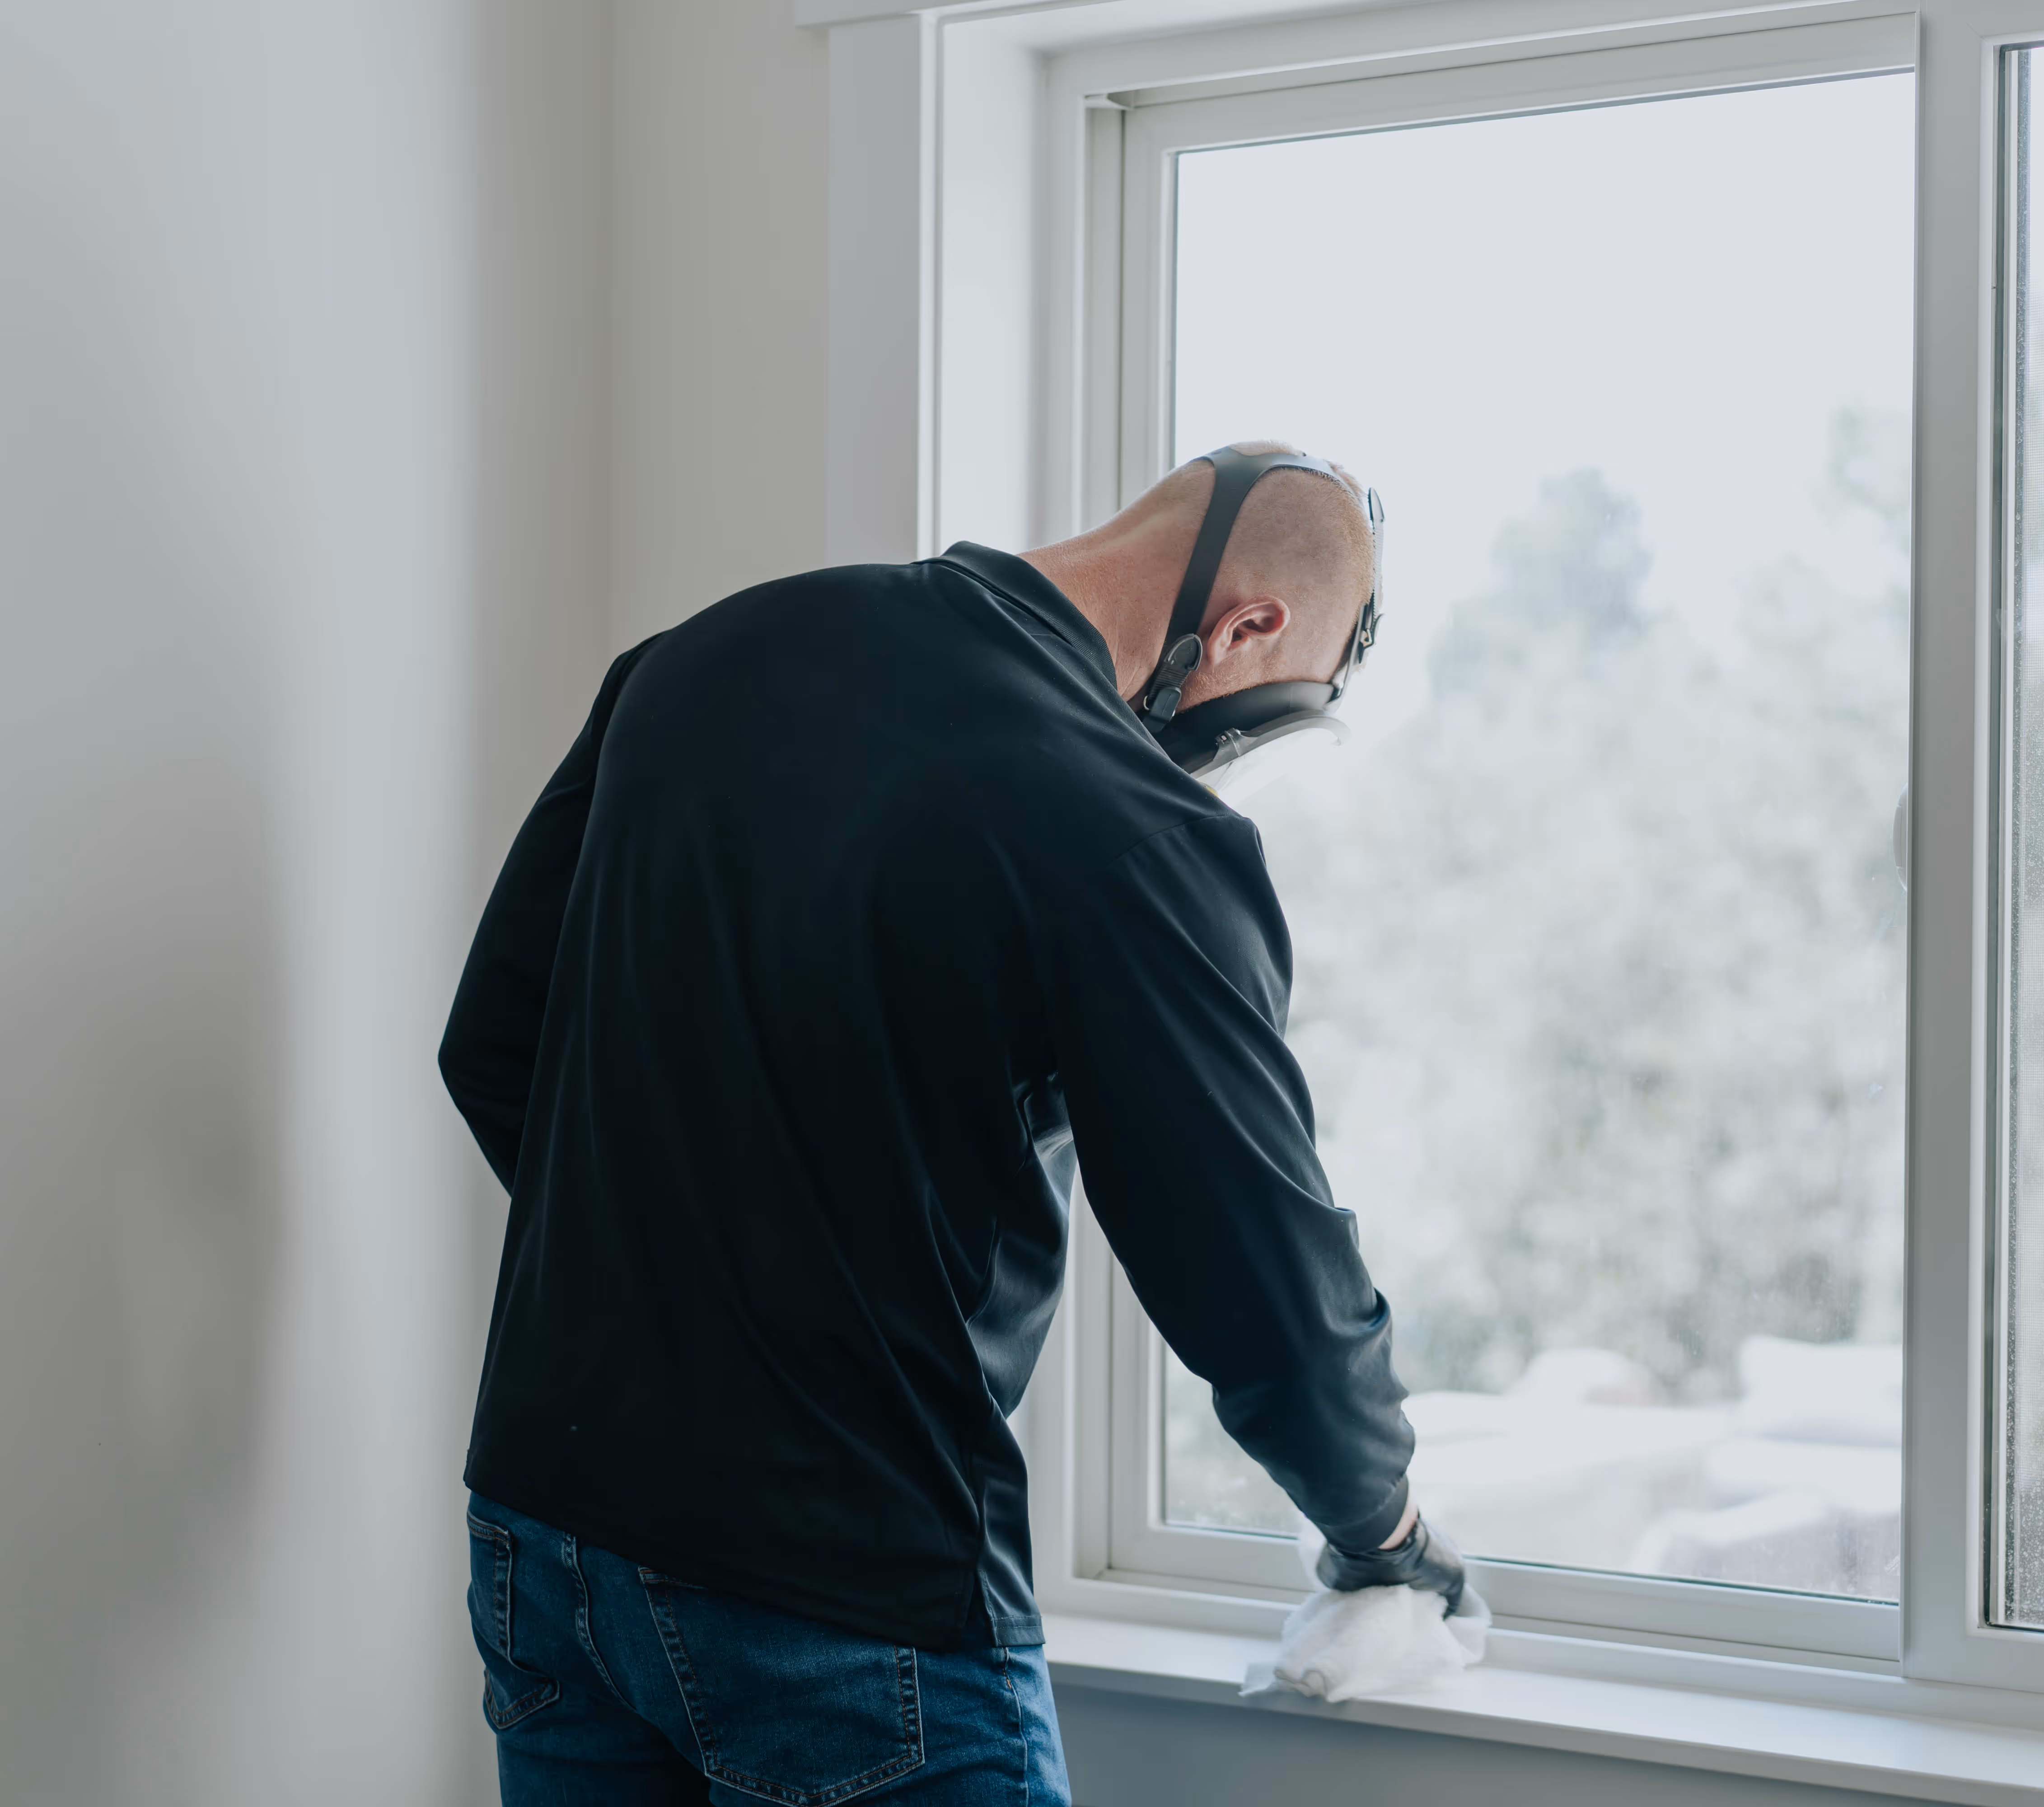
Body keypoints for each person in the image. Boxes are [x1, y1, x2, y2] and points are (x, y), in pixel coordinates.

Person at [439, 442, 1467, 1806]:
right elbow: (1263, 1279)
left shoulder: (706, 655)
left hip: (547, 1530)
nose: (1224, 761)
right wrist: (1383, 1530)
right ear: (1249, 629)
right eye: (1266, 722)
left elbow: (493, 1043)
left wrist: (690, 1284)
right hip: (843, 1592)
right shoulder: (1132, 828)